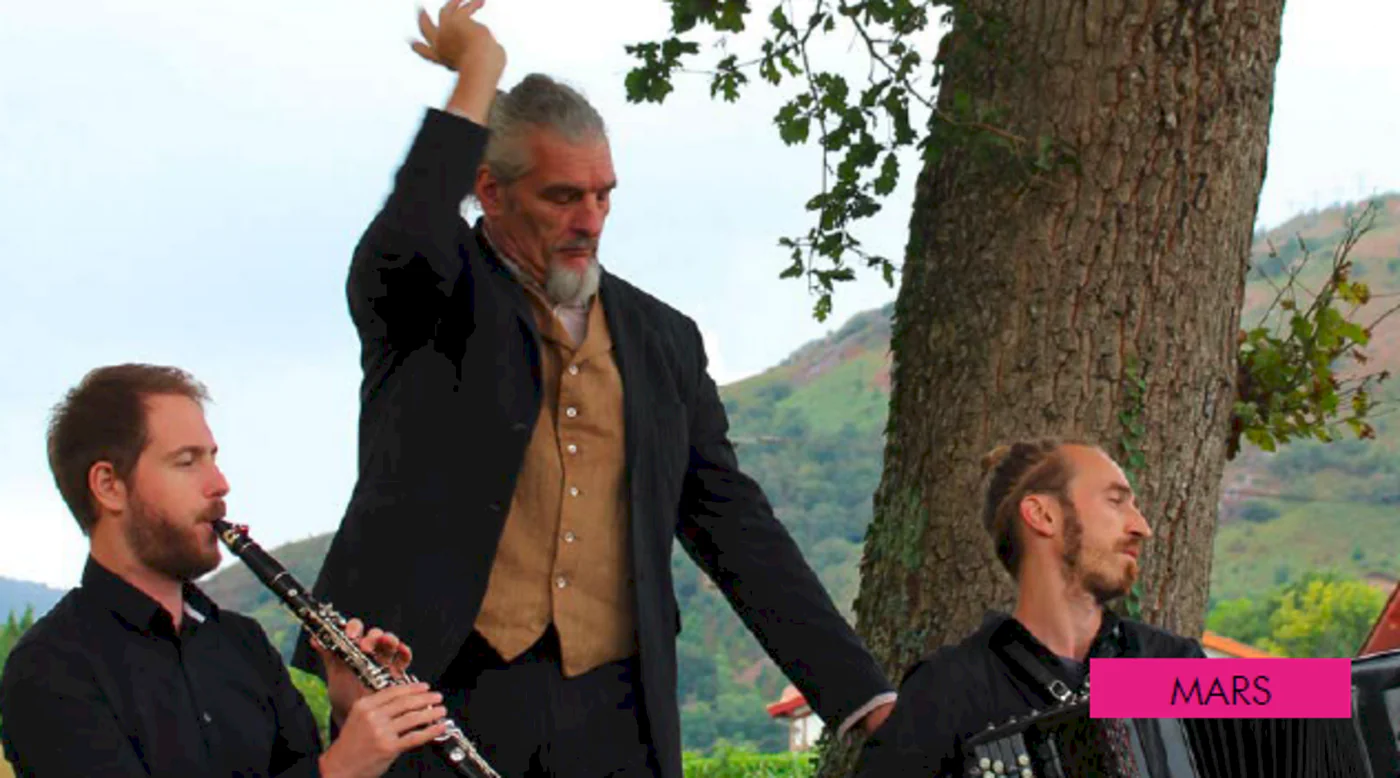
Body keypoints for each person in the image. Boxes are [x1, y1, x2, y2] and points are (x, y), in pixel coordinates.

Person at [288, 1, 896, 776]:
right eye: (562, 196)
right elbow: (408, 228)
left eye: (604, 194)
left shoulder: (660, 339)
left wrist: (860, 693)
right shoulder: (427, 300)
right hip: (443, 688)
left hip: (613, 711)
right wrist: (480, 74)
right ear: (490, 190)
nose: (591, 219)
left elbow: (733, 524)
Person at [0, 364, 450, 778]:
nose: (219, 483)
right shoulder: (51, 670)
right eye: (187, 461)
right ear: (109, 486)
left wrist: (349, 719)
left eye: (212, 457)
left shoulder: (244, 644)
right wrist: (335, 770)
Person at [853, 437, 1209, 777]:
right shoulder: (948, 689)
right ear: (1042, 514)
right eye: (1116, 501)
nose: (1142, 527)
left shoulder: (1174, 664)